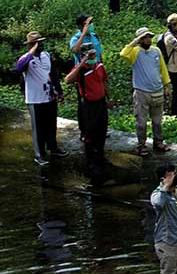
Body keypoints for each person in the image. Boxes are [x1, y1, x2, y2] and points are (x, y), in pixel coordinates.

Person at [16, 32, 68, 166]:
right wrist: (31, 51)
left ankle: (53, 147)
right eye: (38, 43)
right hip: (35, 99)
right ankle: (39, 154)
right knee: (38, 128)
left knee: (51, 124)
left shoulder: (46, 56)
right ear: (32, 45)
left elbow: (53, 74)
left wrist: (59, 91)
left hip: (49, 96)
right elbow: (19, 68)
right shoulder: (25, 59)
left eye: (42, 42)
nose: (41, 45)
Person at [120, 27, 171, 157]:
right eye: (144, 37)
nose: (148, 39)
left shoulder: (156, 51)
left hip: (157, 91)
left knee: (157, 121)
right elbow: (123, 54)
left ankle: (158, 142)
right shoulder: (135, 52)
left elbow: (163, 68)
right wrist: (135, 40)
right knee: (141, 122)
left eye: (149, 37)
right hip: (141, 92)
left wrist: (167, 84)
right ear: (140, 39)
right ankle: (141, 145)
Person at [65, 42, 109, 173]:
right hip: (89, 105)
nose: (93, 55)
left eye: (94, 53)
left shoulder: (100, 66)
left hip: (101, 103)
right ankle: (90, 161)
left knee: (102, 130)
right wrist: (81, 63)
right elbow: (68, 80)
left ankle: (100, 157)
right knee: (90, 133)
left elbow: (104, 82)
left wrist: (109, 98)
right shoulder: (81, 70)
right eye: (90, 54)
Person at [151, 164, 177, 274]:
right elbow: (158, 204)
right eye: (171, 174)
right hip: (167, 241)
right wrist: (166, 186)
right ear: (163, 178)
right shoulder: (157, 194)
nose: (175, 176)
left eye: (175, 173)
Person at [69, 14, 104, 140]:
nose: (91, 26)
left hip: (97, 70)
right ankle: (84, 131)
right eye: (87, 24)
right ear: (80, 26)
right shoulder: (76, 38)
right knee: (84, 103)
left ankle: (99, 128)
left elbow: (99, 54)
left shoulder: (95, 36)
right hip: (83, 74)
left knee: (100, 101)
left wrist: (102, 67)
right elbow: (74, 50)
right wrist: (83, 34)